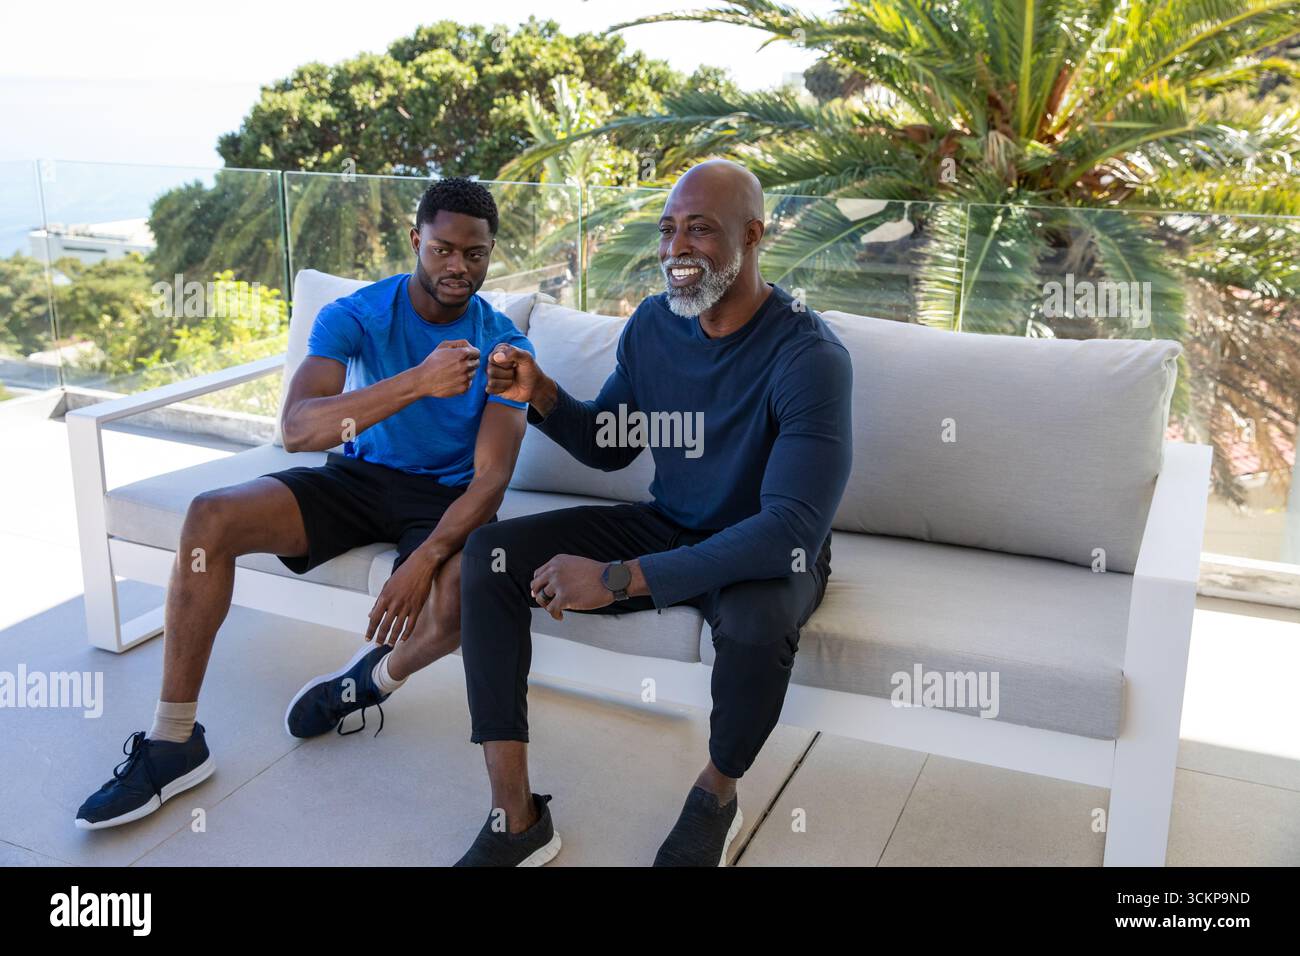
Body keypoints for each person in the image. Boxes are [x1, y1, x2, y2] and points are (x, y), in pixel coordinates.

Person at [76, 178, 533, 830]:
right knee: (210, 517)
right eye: (443, 249)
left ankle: (369, 681)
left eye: (476, 254)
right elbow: (298, 429)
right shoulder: (358, 314)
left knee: (464, 595)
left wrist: (425, 558)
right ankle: (173, 742)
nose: (459, 267)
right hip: (357, 476)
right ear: (416, 241)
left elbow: (491, 480)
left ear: (491, 253)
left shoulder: (506, 346)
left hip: (446, 497)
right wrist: (416, 382)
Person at [455, 159, 853, 866]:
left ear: (754, 235)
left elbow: (791, 528)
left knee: (760, 623)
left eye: (700, 229)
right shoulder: (652, 324)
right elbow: (610, 444)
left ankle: (716, 794)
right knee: (487, 554)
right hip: (671, 521)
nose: (676, 248)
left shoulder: (809, 355)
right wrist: (541, 392)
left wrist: (616, 579)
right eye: (668, 229)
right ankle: (515, 819)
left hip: (764, 547)